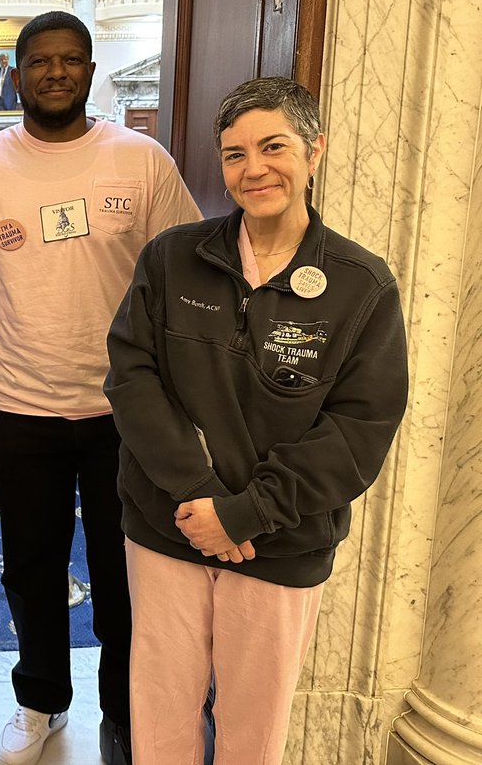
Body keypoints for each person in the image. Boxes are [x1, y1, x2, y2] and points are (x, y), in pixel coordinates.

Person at [104, 77, 408, 764]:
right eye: (235, 153)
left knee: (254, 727)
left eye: (274, 146)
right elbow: (132, 377)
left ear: (315, 151)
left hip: (280, 545)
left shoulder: (363, 285)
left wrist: (245, 514)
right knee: (159, 712)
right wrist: (197, 495)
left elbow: (360, 429)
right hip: (167, 527)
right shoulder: (172, 257)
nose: (254, 168)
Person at [0, 10, 201, 765]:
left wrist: (186, 393)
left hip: (130, 410)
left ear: (90, 70)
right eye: (40, 61)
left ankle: (126, 707)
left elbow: (182, 276)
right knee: (31, 567)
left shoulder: (141, 160)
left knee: (127, 572)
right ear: (15, 75)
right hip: (18, 405)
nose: (56, 73)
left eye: (71, 60)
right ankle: (41, 700)